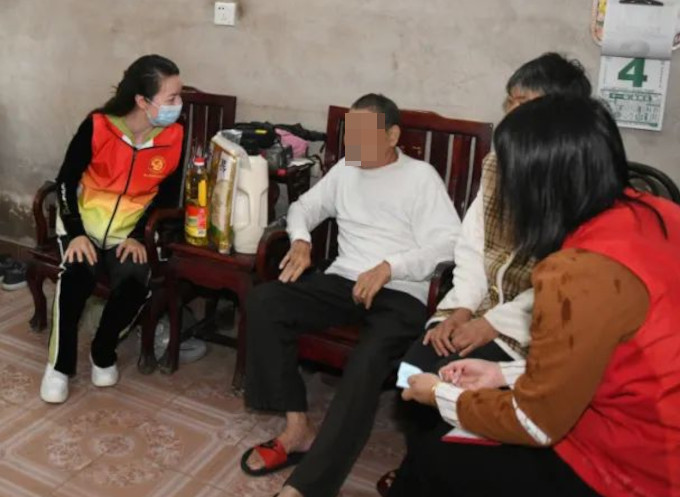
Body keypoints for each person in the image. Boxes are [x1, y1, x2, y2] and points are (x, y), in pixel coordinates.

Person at [391, 95, 680, 497]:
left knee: (434, 458)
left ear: (536, 183)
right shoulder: (659, 213)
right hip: (644, 422)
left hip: (631, 466)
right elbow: (596, 360)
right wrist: (501, 375)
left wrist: (441, 395)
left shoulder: (576, 272)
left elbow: (535, 422)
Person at [378, 53, 593, 495]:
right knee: (414, 369)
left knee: (448, 383)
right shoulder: (497, 164)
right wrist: (458, 310)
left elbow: (559, 287)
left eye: (523, 104)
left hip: (529, 326)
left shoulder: (576, 183)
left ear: (559, 116)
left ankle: (434, 467)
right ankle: (421, 463)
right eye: (509, 102)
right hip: (478, 304)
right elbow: (472, 247)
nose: (511, 114)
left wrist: (490, 325)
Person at [241, 94, 461, 497]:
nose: (353, 143)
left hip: (401, 292)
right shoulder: (346, 169)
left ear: (392, 136)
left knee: (367, 360)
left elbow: (448, 243)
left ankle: (309, 486)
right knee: (265, 302)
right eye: (350, 134)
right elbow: (303, 208)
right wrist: (302, 240)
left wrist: (390, 266)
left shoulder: (420, 177)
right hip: (344, 281)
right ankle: (297, 427)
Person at [40, 54, 185, 404]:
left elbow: (166, 196)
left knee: (136, 281)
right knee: (76, 275)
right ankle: (59, 367)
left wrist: (137, 236)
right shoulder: (98, 126)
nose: (179, 105)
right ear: (142, 101)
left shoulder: (174, 136)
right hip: (83, 224)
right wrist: (75, 231)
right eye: (172, 98)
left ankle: (102, 352)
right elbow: (65, 181)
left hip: (129, 231)